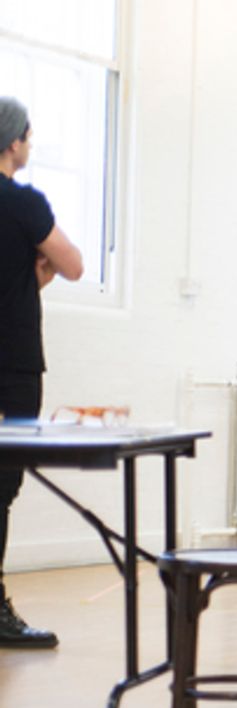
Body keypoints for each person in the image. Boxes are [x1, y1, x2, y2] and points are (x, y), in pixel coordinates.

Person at [0, 97, 83, 649]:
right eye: (28, 136)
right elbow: (72, 265)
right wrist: (37, 267)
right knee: (2, 485)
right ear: (13, 141)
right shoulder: (25, 204)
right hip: (13, 362)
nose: (30, 145)